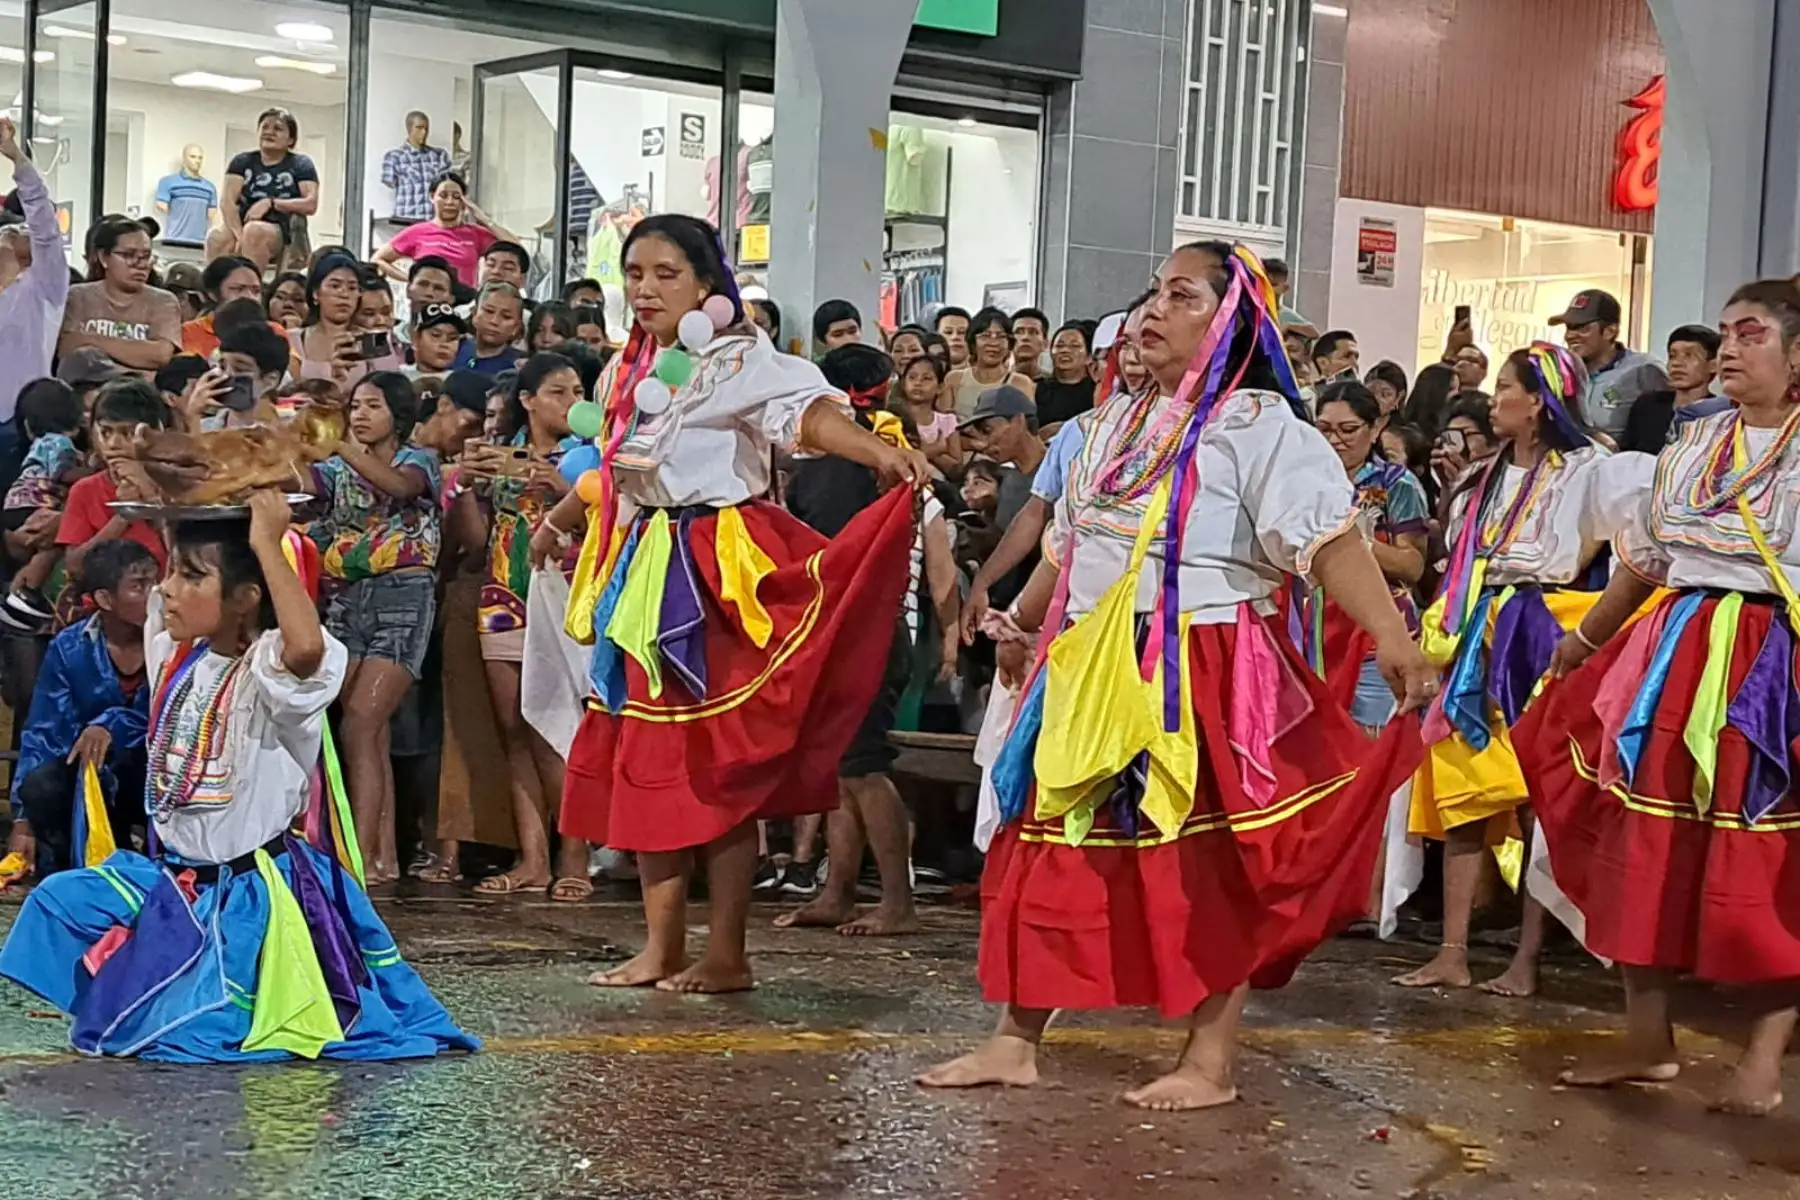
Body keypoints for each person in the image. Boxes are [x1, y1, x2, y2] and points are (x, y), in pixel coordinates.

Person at [919, 243, 1432, 1107]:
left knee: (1212, 864)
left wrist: (1388, 631)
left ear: (1225, 320)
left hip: (1202, 662)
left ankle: (1210, 1061)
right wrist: (1026, 621)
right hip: (1090, 664)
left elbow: (1326, 539)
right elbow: (1071, 542)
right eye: (1153, 292)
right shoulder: (1109, 425)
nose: (1152, 309)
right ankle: (1016, 1038)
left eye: (1180, 294)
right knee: (1052, 845)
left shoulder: (1261, 425)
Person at [538, 213, 924, 993]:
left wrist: (878, 449)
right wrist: (557, 521)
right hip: (644, 564)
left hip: (721, 568)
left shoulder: (742, 357)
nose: (644, 288)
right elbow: (616, 468)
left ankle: (726, 953)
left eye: (665, 274)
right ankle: (661, 945)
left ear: (708, 283)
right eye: (635, 273)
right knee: (650, 760)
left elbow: (806, 417)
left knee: (712, 768)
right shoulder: (629, 372)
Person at [0, 491, 480, 1063]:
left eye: (189, 578)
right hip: (177, 883)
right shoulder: (179, 654)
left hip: (250, 894)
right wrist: (175, 487)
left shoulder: (275, 672)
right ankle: (141, 990)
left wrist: (265, 543)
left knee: (193, 1036)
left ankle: (182, 995)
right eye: (170, 575)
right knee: (58, 904)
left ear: (246, 598)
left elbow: (305, 646)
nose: (165, 590)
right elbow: (177, 546)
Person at [1516, 278, 1800, 1117]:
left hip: (1768, 668)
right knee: (1642, 842)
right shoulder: (1690, 446)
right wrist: (1582, 643)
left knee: (1769, 854)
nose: (1731, 351)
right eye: (1726, 336)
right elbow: (1648, 561)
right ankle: (1649, 1037)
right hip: (1672, 656)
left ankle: (1765, 1050)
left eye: (1751, 336)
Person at [1395, 343, 1652, 997]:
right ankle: (1452, 951)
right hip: (1481, 638)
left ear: (1538, 401)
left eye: (1506, 386)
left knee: (1541, 798)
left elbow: (1639, 552)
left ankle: (1527, 960)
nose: (1493, 398)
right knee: (1461, 791)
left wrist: (1588, 635)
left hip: (1546, 635)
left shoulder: (1592, 468)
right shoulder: (1486, 478)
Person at [776, 343, 926, 936]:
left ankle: (897, 900)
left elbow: (830, 556)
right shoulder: (858, 459)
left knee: (863, 768)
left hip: (858, 631)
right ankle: (837, 891)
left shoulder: (840, 468)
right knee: (841, 769)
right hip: (850, 627)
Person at [449, 353, 591, 900]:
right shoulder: (500, 455)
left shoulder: (587, 458)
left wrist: (559, 485)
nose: (570, 401)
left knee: (557, 728)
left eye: (577, 389)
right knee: (514, 729)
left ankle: (574, 857)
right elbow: (476, 539)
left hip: (564, 595)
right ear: (528, 400)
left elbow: (605, 517)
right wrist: (464, 484)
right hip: (505, 593)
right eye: (557, 392)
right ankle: (532, 858)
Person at [308, 371, 443, 886]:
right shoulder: (338, 471)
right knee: (367, 731)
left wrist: (340, 445)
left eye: (372, 406)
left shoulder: (417, 461)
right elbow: (299, 483)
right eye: (354, 406)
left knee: (361, 722)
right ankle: (381, 856)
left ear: (399, 417)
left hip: (401, 599)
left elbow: (397, 487)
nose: (359, 415)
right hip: (347, 600)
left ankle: (356, 859)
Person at [13, 540, 156, 874]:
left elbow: (165, 717)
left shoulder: (174, 641)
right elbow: (44, 732)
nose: (154, 595)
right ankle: (74, 875)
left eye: (155, 582)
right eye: (138, 586)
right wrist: (23, 822)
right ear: (105, 599)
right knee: (43, 786)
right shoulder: (69, 648)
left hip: (153, 772)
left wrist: (111, 725)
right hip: (91, 779)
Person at [1298, 381, 1429, 725]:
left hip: (1374, 632)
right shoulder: (1302, 481)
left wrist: (1349, 546)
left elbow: (1412, 565)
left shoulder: (1396, 484)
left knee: (1370, 738)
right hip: (1313, 628)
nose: (1334, 440)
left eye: (1348, 430)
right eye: (1324, 429)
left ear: (1375, 430)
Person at [56, 379, 171, 581]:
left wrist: (151, 499)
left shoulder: (177, 485)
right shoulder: (84, 491)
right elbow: (75, 568)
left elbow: (185, 561)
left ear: (157, 432)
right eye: (106, 432)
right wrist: (124, 515)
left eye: (127, 433)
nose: (113, 444)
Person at [0, 116, 72, 421]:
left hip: (19, 420)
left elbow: (44, 225)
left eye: (21, 229)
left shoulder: (44, 284)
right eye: (7, 228)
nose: (12, 233)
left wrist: (16, 156)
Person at [1, 378, 87, 627]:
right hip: (33, 502)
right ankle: (27, 593)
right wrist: (91, 475)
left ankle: (25, 594)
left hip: (16, 505)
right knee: (54, 540)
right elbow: (62, 474)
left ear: (27, 426)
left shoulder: (36, 445)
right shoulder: (59, 443)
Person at [59, 218, 182, 378]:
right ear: (103, 258)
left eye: (146, 256)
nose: (141, 264)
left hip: (141, 395)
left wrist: (90, 341)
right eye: (129, 255)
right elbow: (67, 349)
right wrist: (137, 351)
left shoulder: (164, 301)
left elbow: (160, 355)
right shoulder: (77, 296)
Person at [208, 108, 320, 272]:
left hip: (281, 227)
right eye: (265, 127)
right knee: (216, 237)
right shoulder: (242, 161)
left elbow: (310, 204)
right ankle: (215, 291)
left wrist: (271, 203)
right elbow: (227, 203)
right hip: (242, 222)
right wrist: (239, 235)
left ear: (291, 139)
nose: (269, 132)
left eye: (277, 128)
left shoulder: (301, 164)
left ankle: (251, 288)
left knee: (254, 232)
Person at [1550, 288, 1669, 439]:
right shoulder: (1560, 373)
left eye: (1582, 328)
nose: (1570, 335)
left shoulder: (1645, 369)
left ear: (1610, 331)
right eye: (1568, 328)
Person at [374, 172, 516, 289]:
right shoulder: (416, 232)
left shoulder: (475, 234)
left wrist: (484, 219)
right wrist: (410, 278)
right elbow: (378, 259)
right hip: (425, 305)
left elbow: (515, 247)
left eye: (456, 197)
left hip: (464, 306)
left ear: (464, 201)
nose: (450, 202)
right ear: (432, 197)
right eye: (443, 195)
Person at [1617, 324, 1728, 453]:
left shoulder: (1719, 414)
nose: (1676, 363)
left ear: (1713, 366)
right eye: (1672, 356)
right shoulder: (1647, 405)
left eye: (1688, 355)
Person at [290, 251, 378, 387]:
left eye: (352, 288)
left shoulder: (374, 341)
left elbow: (391, 392)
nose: (344, 294)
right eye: (335, 286)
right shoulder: (293, 340)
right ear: (315, 293)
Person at [180, 256, 284, 358]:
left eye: (256, 291)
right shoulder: (189, 332)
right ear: (212, 294)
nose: (249, 297)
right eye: (237, 289)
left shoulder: (275, 331)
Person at [943, 308, 1036, 419]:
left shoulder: (1021, 383)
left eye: (1001, 336)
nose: (993, 343)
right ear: (973, 342)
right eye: (986, 336)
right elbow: (944, 424)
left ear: (1010, 344)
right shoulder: (954, 379)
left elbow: (1026, 426)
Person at [892, 353, 960, 475]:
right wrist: (933, 451)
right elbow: (894, 460)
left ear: (940, 387)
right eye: (912, 377)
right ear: (903, 384)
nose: (918, 383)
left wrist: (928, 454)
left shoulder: (947, 421)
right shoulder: (893, 420)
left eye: (926, 378)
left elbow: (957, 469)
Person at [380, 111, 452, 224]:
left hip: (432, 220)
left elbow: (447, 186)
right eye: (419, 128)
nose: (423, 132)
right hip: (406, 218)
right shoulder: (394, 157)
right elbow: (389, 182)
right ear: (409, 129)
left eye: (426, 128)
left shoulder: (439, 155)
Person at [1034, 321, 1097, 429]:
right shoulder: (1035, 389)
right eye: (1059, 345)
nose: (1065, 350)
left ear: (1089, 357)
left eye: (1075, 346)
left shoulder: (1097, 390)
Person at [456, 283, 526, 376]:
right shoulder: (455, 347)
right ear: (474, 314)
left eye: (506, 316)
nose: (494, 321)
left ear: (516, 327)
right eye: (489, 311)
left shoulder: (521, 366)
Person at [1012, 307, 1050, 383]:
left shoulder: (1055, 385)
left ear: (1045, 344)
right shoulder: (995, 381)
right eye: (1019, 332)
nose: (1025, 337)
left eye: (1033, 332)